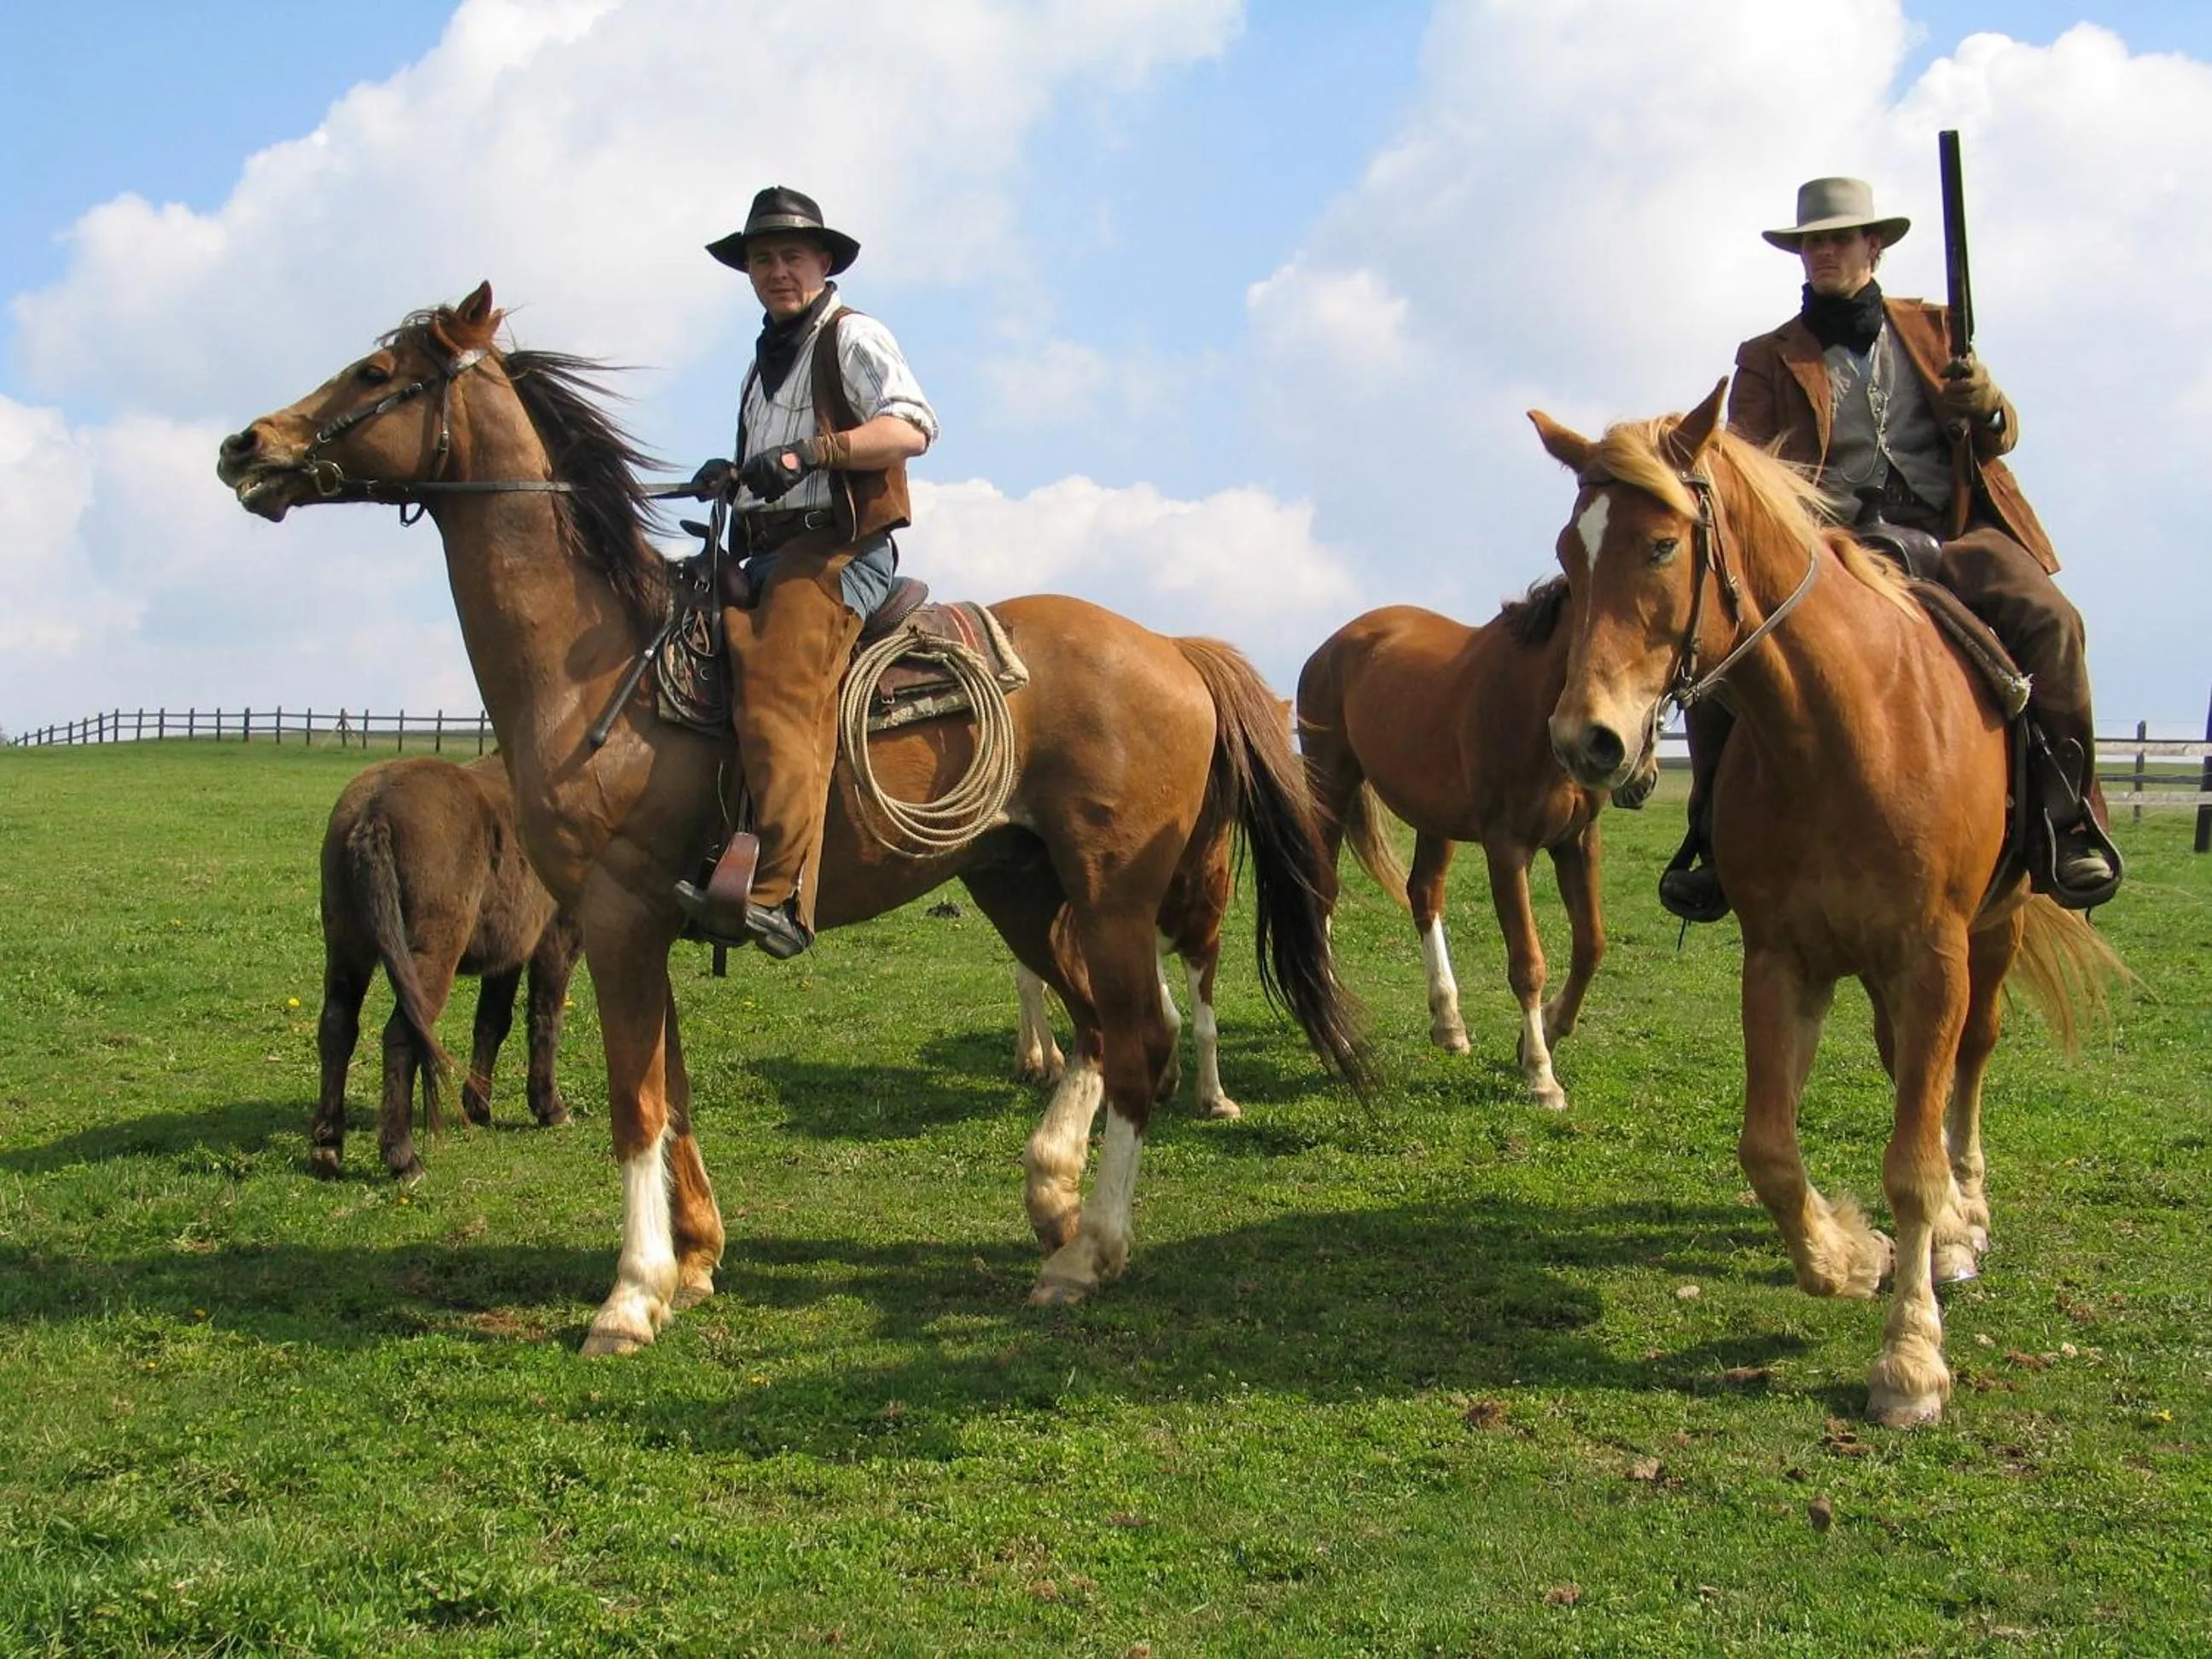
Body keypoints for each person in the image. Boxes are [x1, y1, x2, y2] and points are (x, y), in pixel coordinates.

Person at [1659, 176, 2119, 923]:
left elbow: (1999, 437)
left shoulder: (1938, 328)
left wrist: (1989, 404)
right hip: (1834, 547)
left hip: (1952, 534)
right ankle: (1712, 836)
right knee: (1722, 658)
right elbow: (1750, 461)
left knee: (2053, 621)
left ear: (1874, 245)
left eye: (1839, 239)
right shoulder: (1766, 357)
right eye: (1812, 242)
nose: (1824, 252)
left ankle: (2067, 822)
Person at [673, 187, 939, 958]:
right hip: (767, 549)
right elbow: (770, 465)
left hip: (841, 550)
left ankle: (779, 892)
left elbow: (913, 429)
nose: (777, 270)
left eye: (791, 256)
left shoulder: (851, 337)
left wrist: (812, 453)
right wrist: (735, 475)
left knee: (776, 685)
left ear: (824, 262)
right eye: (762, 259)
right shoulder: (761, 366)